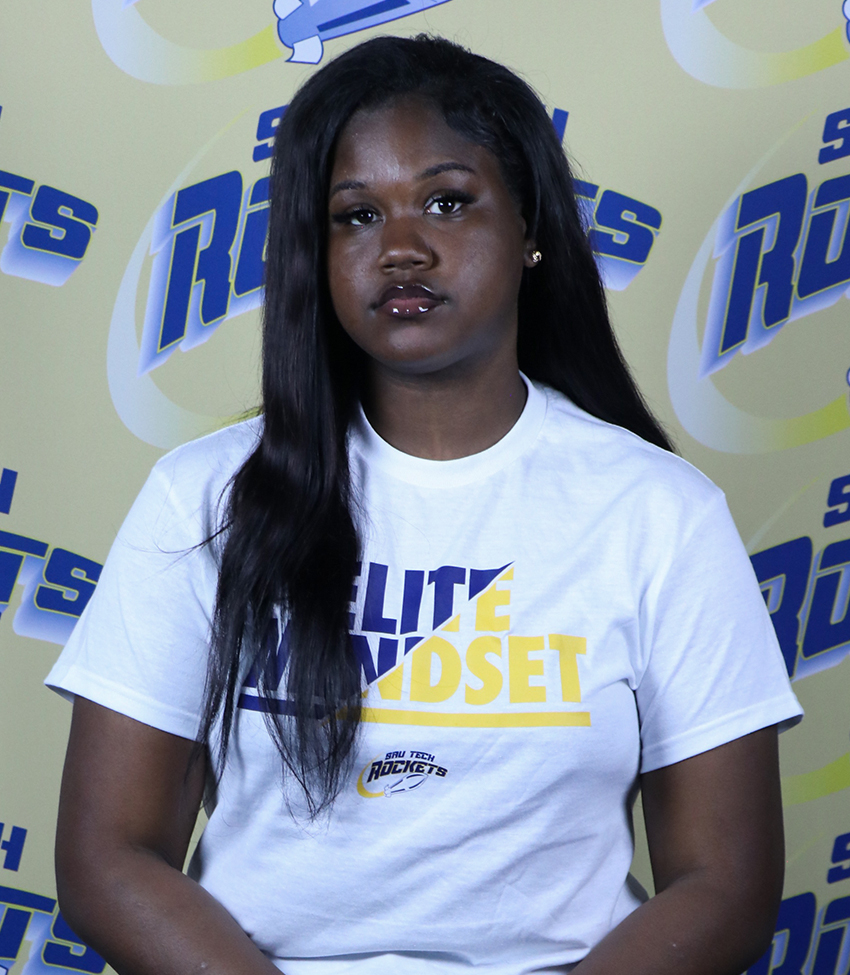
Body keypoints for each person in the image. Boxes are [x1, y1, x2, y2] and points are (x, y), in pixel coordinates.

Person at [48, 34, 802, 975]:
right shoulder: (204, 497)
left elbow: (724, 882)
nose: (401, 247)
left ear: (530, 225)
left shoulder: (658, 512)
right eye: (355, 216)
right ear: (313, 254)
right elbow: (106, 856)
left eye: (447, 201)